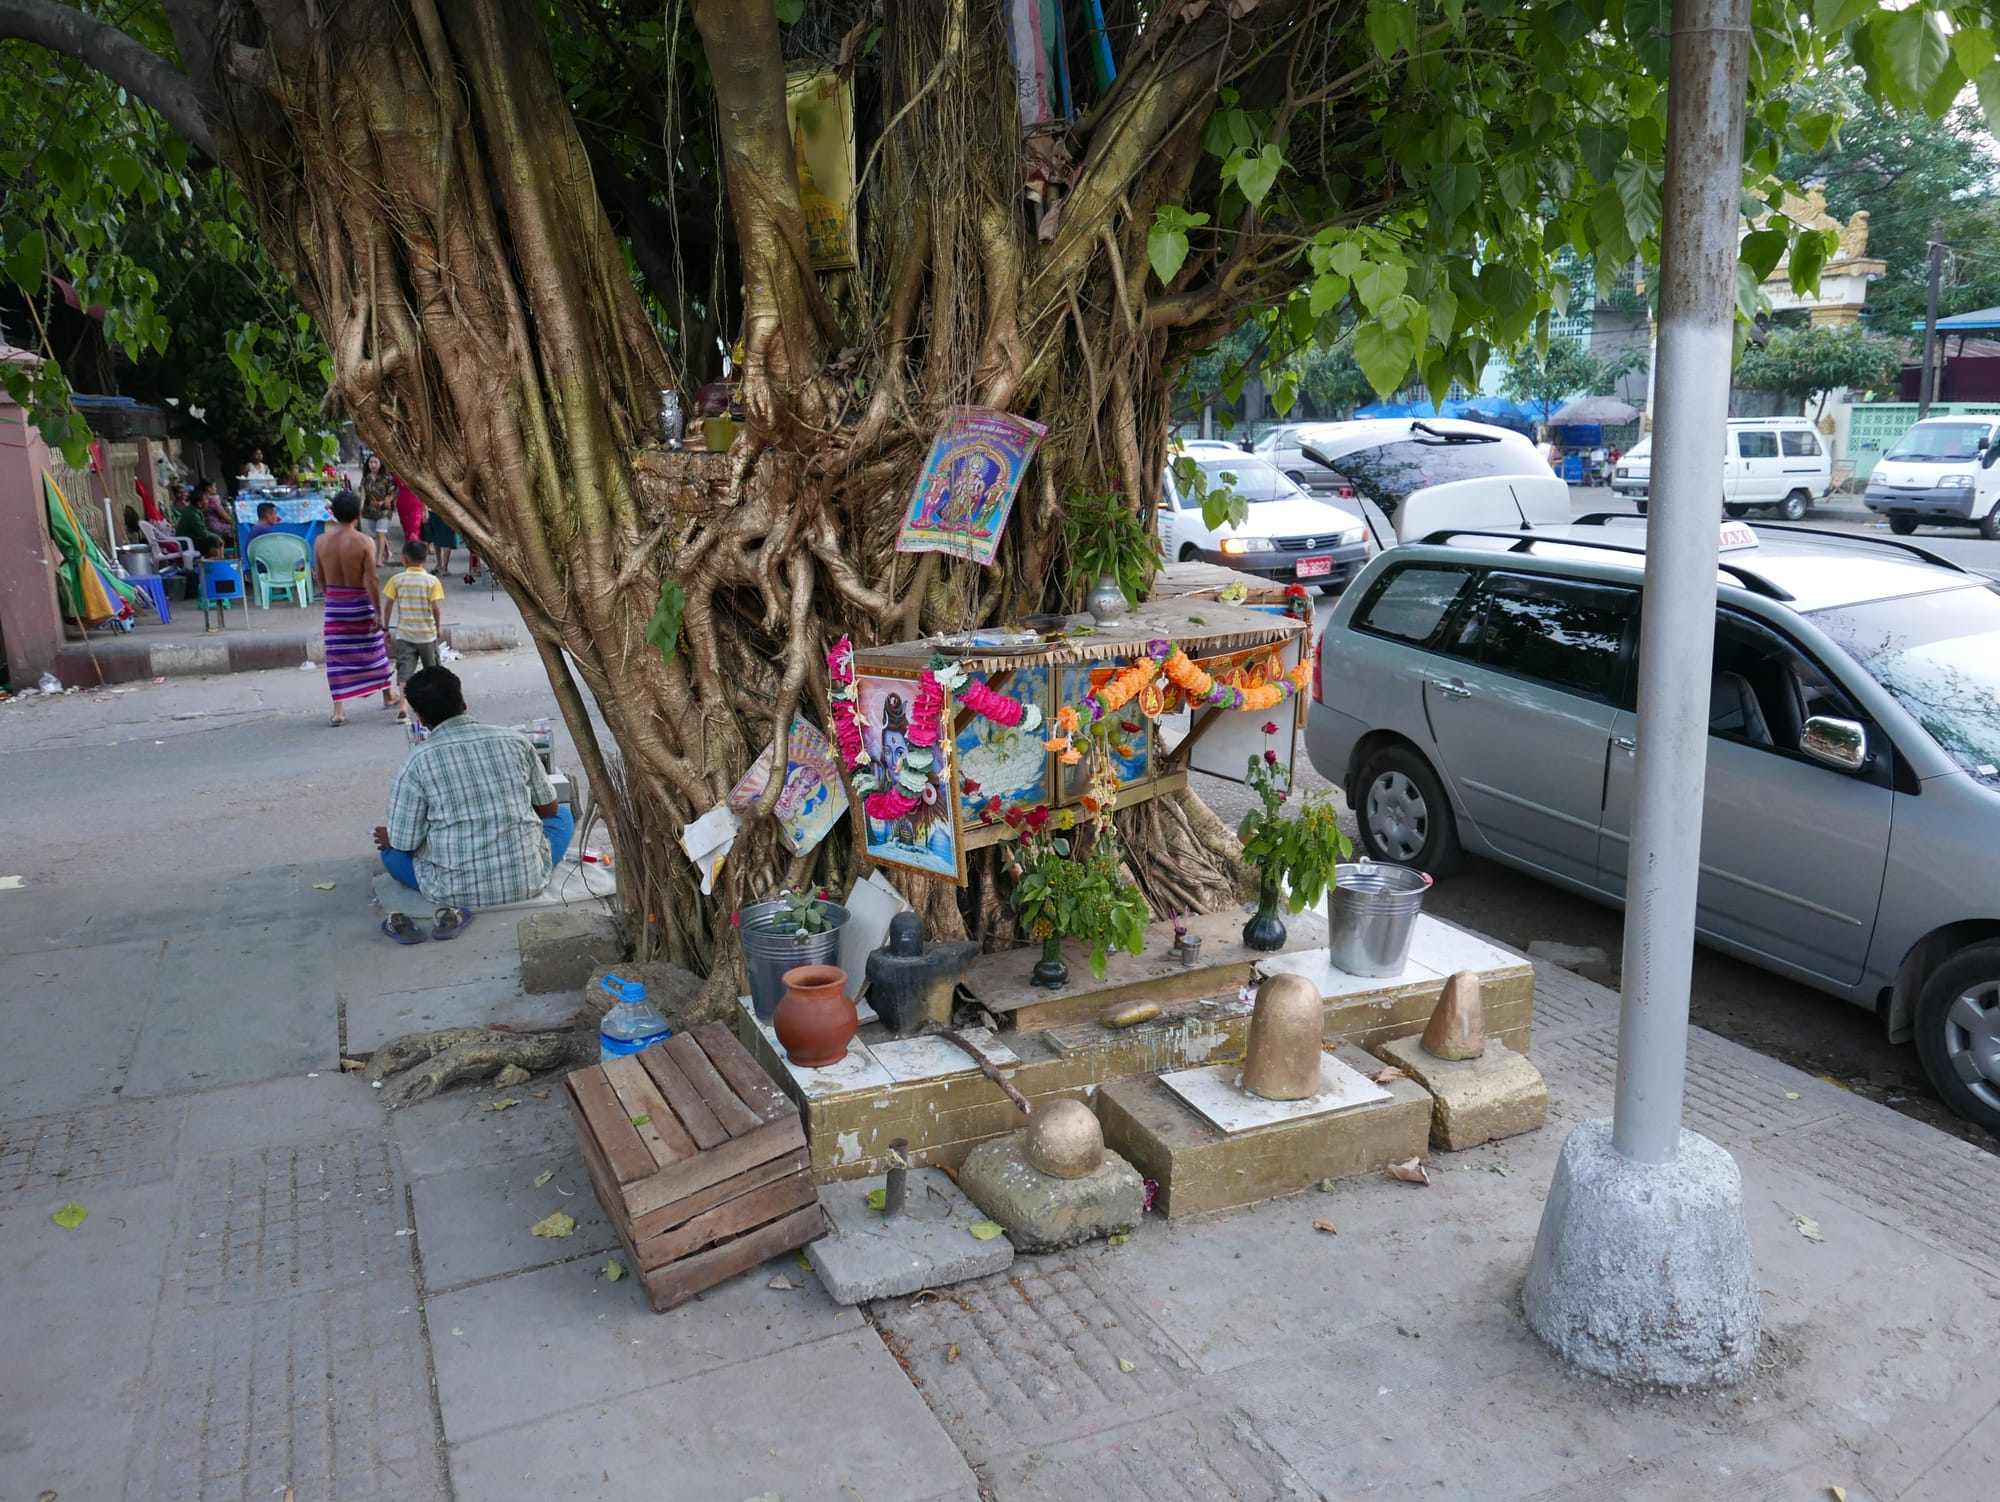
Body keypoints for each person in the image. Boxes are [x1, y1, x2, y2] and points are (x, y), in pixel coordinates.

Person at [371, 666, 574, 940]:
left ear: (421, 718)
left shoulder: (415, 762)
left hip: (450, 890)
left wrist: (392, 838)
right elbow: (549, 810)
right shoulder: (513, 741)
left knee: (390, 853)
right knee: (563, 817)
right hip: (526, 881)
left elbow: (405, 843)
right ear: (463, 703)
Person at [312, 490, 399, 727]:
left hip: (335, 603)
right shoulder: (364, 542)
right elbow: (372, 580)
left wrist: (331, 597)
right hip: (359, 601)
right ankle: (388, 694)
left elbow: (320, 575)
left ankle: (339, 709)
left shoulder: (320, 541)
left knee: (336, 655)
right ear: (358, 514)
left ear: (333, 513)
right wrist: (378, 613)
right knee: (373, 649)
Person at [380, 538, 445, 722]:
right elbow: (435, 608)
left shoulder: (397, 580)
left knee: (404, 672)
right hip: (426, 634)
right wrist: (437, 627)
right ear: (425, 560)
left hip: (405, 634)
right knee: (432, 670)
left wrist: (385, 627)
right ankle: (435, 706)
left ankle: (403, 706)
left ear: (404, 560)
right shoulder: (432, 581)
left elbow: (388, 605)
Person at [360, 452, 397, 565]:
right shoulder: (365, 478)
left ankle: (379, 559)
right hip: (370, 510)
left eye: (376, 462)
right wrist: (360, 508)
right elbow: (363, 494)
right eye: (371, 462)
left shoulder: (387, 478)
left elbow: (393, 493)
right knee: (378, 532)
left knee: (380, 533)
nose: (373, 464)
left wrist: (385, 501)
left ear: (380, 464)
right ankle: (388, 552)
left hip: (385, 510)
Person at [174, 482, 221, 554]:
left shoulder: (193, 510)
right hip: (186, 543)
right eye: (205, 499)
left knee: (216, 538)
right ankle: (215, 561)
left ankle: (219, 560)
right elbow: (203, 533)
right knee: (214, 540)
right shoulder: (192, 514)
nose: (207, 501)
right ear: (199, 503)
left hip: (192, 539)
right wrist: (216, 536)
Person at [421, 505, 461, 579]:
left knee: (437, 537)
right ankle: (443, 567)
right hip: (444, 511)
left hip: (437, 511)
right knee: (443, 538)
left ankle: (440, 565)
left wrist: (425, 509)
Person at [392, 474, 425, 559]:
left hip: (416, 504)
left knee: (414, 530)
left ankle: (416, 557)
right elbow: (398, 490)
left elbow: (424, 492)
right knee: (407, 532)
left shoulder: (418, 472)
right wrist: (390, 499)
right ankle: (409, 557)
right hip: (402, 505)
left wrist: (425, 509)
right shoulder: (397, 473)